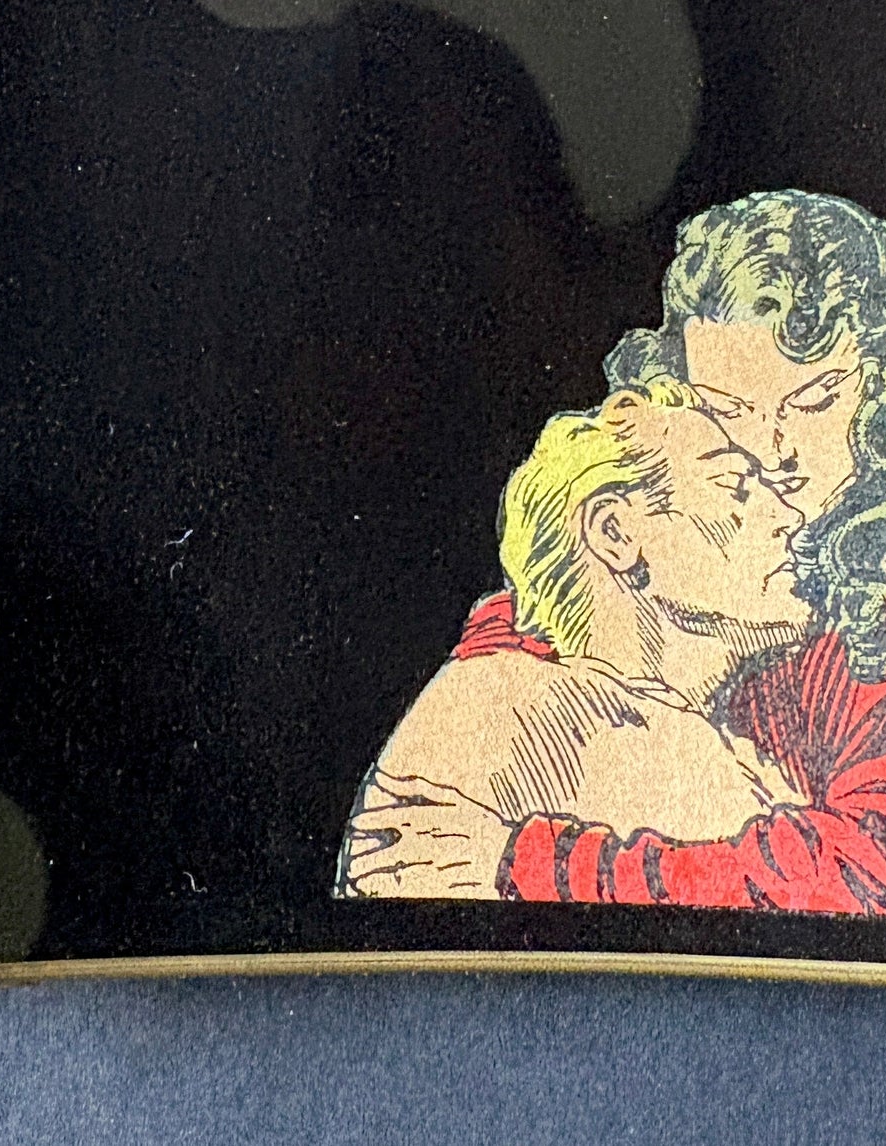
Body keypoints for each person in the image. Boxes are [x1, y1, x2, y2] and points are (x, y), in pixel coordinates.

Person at [341, 190, 886, 924]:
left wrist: (533, 864)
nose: (773, 454)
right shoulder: (751, 540)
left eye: (813, 401)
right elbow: (555, 611)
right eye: (729, 410)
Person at [334, 378, 811, 897]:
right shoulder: (543, 717)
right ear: (615, 533)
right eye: (734, 487)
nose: (789, 516)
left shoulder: (675, 725)